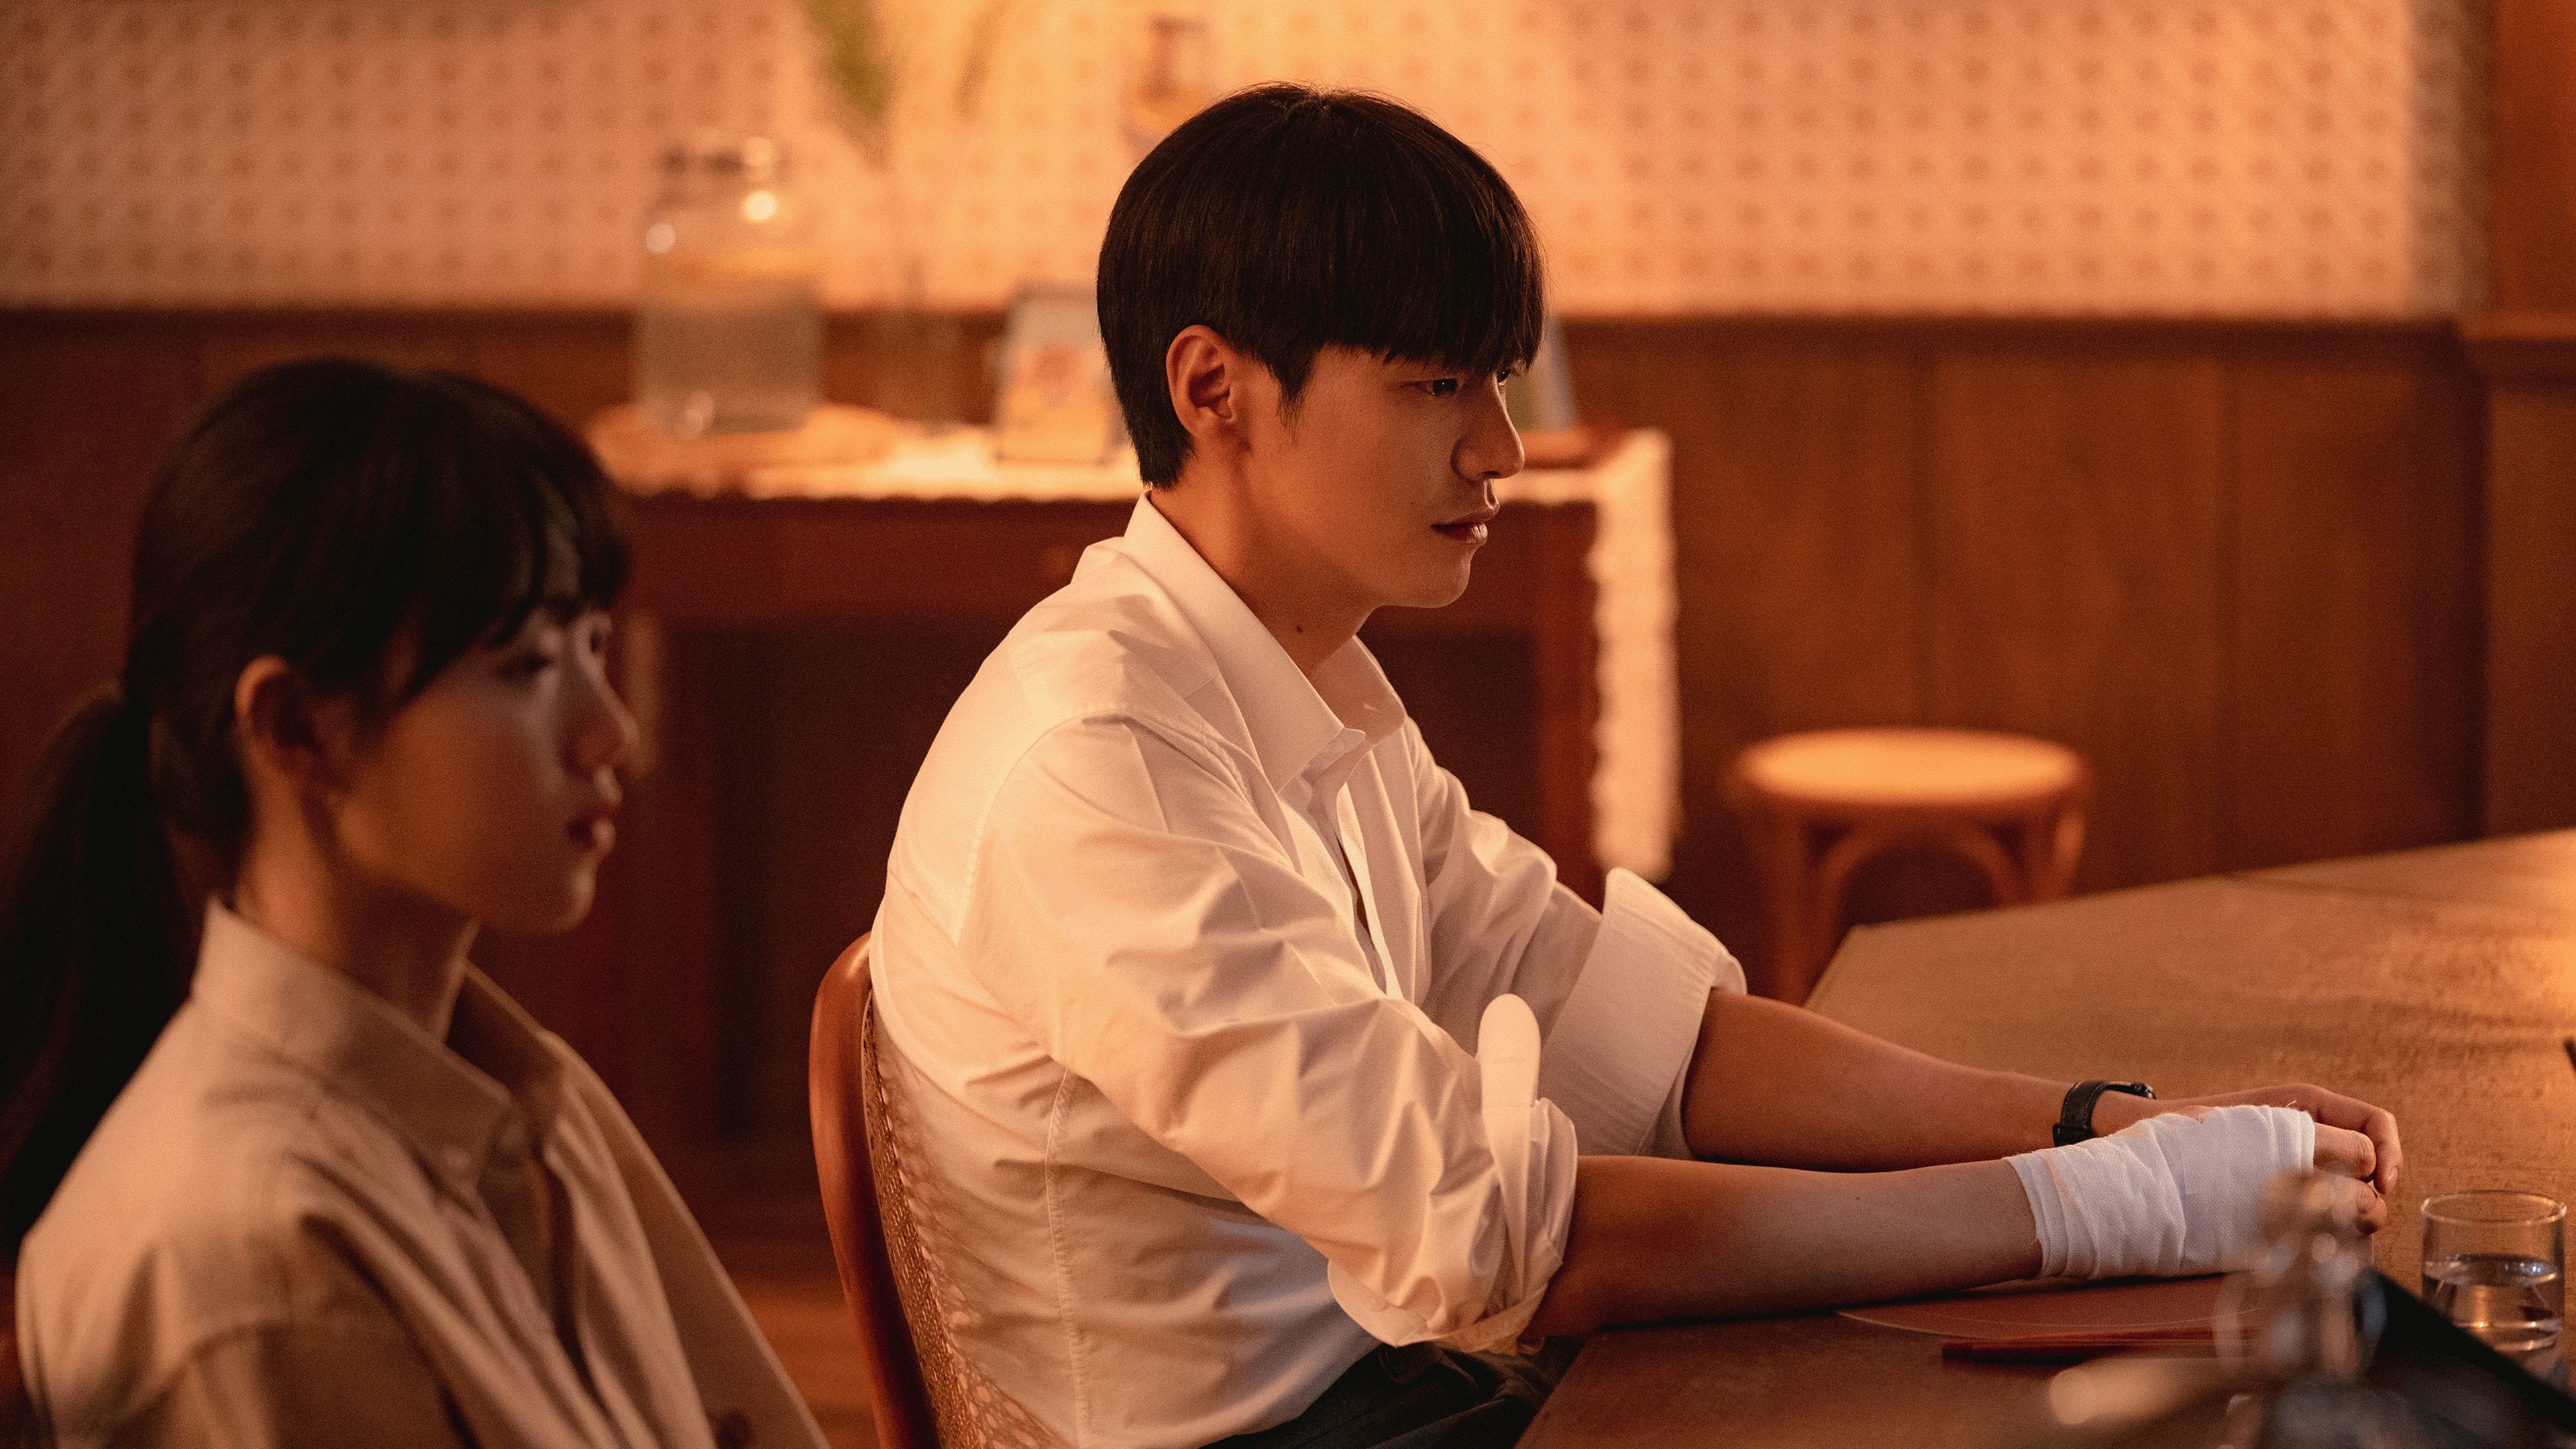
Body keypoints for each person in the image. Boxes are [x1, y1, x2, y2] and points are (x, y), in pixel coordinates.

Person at [865, 85, 2404, 1449]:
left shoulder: (1298, 679)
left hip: (1404, 1385)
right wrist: (2100, 1213)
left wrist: (2108, 1128)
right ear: (1215, 391)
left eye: (1498, 383)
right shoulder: (1102, 762)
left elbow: (1641, 1044)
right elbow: (1511, 1243)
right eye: (1436, 386)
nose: (1501, 449)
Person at [0, 360, 826, 1449]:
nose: (611, 734)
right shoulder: (250, 1253)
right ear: (297, 729)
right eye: (526, 666)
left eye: (593, 644)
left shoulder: (533, 1100)